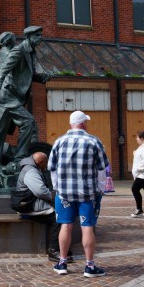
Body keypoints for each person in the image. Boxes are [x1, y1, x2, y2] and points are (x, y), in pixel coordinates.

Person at [48, 110, 108, 278]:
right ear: (83, 123)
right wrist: (101, 187)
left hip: (64, 193)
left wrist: (57, 187)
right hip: (87, 192)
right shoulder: (93, 141)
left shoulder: (59, 141)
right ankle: (89, 266)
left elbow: (52, 168)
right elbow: (102, 168)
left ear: (71, 123)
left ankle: (62, 262)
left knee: (65, 225)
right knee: (87, 226)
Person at [0, 26, 50, 168]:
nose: (40, 38)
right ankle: (19, 158)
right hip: (7, 96)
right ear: (28, 37)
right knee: (28, 122)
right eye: (37, 35)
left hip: (12, 97)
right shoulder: (19, 50)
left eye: (40, 35)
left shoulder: (30, 52)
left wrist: (41, 78)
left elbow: (26, 73)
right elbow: (3, 70)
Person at [14, 152, 70, 263]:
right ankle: (53, 250)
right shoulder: (30, 171)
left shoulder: (31, 168)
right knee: (58, 218)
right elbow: (40, 191)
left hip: (32, 204)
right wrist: (52, 197)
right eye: (45, 163)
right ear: (40, 162)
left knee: (59, 215)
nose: (46, 166)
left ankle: (61, 247)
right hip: (30, 207)